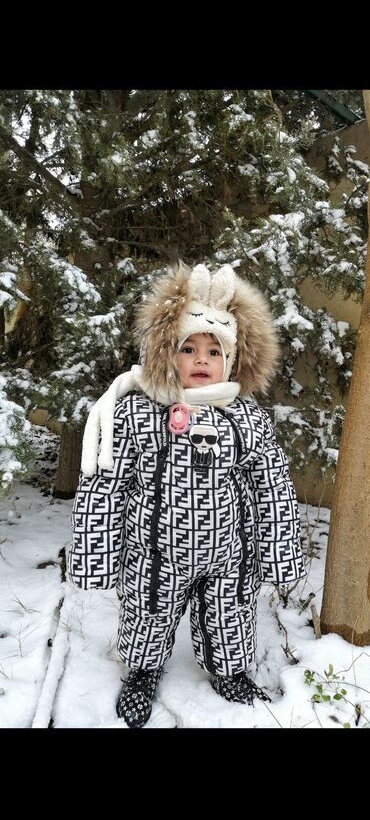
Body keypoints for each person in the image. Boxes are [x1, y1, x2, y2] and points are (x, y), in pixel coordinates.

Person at [68, 262, 305, 728]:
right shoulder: (139, 415)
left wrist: (280, 554)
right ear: (165, 354)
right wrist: (95, 555)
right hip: (156, 551)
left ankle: (229, 670)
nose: (201, 359)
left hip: (228, 554)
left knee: (230, 612)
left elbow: (272, 485)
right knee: (147, 611)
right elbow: (105, 484)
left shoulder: (246, 419)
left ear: (232, 360)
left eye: (214, 351)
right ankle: (141, 672)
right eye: (188, 348)